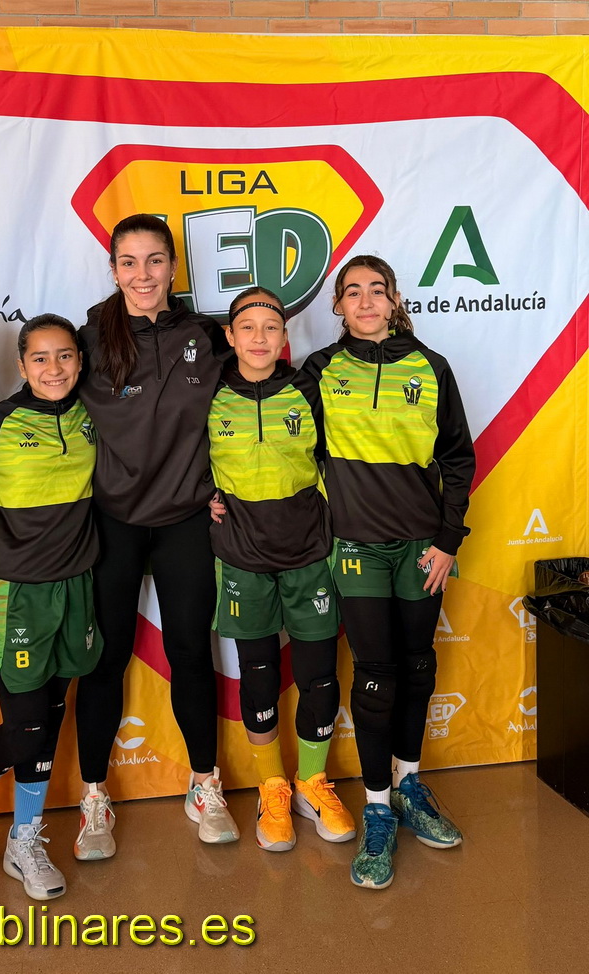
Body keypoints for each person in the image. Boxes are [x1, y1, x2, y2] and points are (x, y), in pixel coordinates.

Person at [302, 255, 475, 890]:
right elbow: (283, 444)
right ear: (338, 306)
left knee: (417, 664)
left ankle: (409, 786)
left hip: (422, 548)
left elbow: (457, 457)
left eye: (378, 290)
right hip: (356, 547)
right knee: (375, 674)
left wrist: (448, 540)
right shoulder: (319, 371)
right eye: (353, 292)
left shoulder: (431, 366)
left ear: (395, 299)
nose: (367, 301)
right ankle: (377, 808)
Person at [73, 213, 239, 859]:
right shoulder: (90, 337)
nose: (142, 274)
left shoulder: (206, 335)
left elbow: (243, 408)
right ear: (114, 269)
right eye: (129, 262)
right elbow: (50, 408)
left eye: (154, 260)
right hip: (113, 520)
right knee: (106, 658)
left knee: (191, 652)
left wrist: (230, 486)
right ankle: (94, 797)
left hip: (186, 518)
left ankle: (205, 786)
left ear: (173, 266)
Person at [0, 313, 102, 900]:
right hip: (15, 592)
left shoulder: (92, 415)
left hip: (76, 585)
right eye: (39, 358)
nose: (53, 368)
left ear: (80, 361)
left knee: (53, 714)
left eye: (64, 355)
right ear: (21, 365)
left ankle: (24, 838)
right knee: (26, 728)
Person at [208, 286, 356, 853]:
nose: (259, 338)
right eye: (247, 327)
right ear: (230, 336)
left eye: (271, 327)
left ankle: (312, 783)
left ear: (285, 336)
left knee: (319, 674)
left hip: (309, 554)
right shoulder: (209, 394)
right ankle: (271, 787)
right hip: (242, 559)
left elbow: (339, 457)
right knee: (259, 675)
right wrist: (202, 497)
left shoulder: (308, 389)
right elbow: (177, 456)